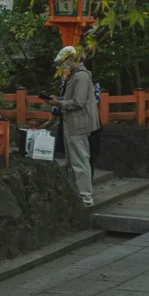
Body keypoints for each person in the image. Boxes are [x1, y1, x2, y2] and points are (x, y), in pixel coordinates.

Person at [55, 46, 98, 207]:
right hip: (72, 123)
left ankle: (85, 196)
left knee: (80, 160)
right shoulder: (76, 76)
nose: (62, 65)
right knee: (73, 161)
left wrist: (59, 103)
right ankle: (76, 194)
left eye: (64, 62)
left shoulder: (81, 77)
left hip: (79, 124)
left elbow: (78, 101)